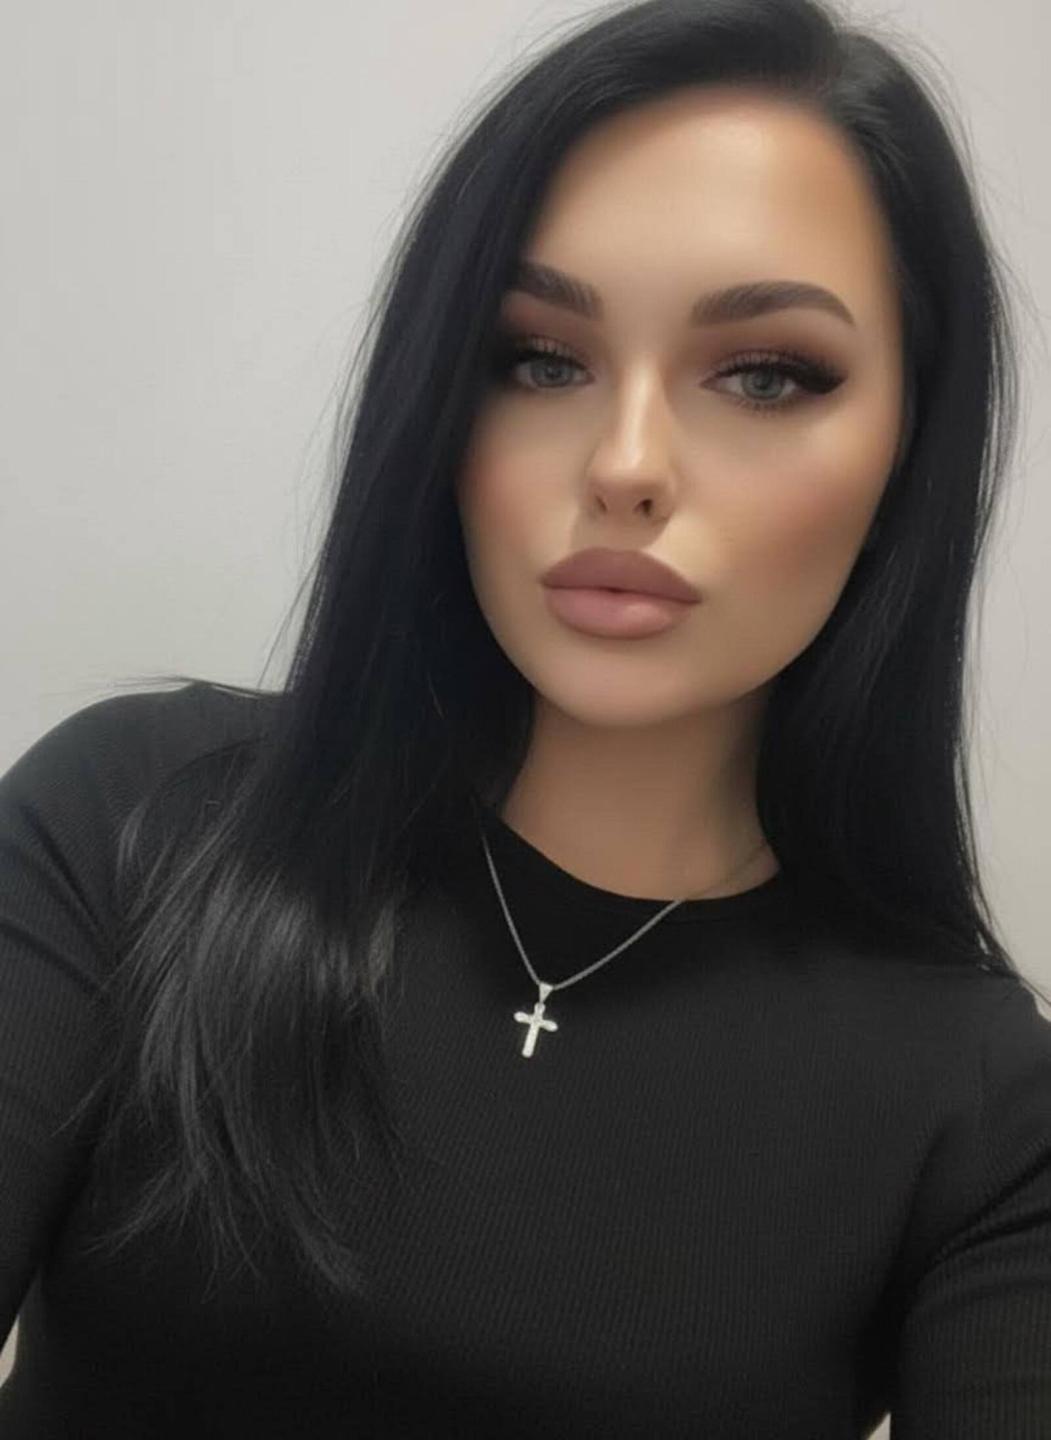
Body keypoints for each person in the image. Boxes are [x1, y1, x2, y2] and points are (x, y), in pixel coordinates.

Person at [2, 0, 1049, 1434]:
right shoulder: (134, 824)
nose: (626, 464)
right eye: (541, 358)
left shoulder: (981, 1110)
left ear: (907, 452)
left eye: (765, 374)